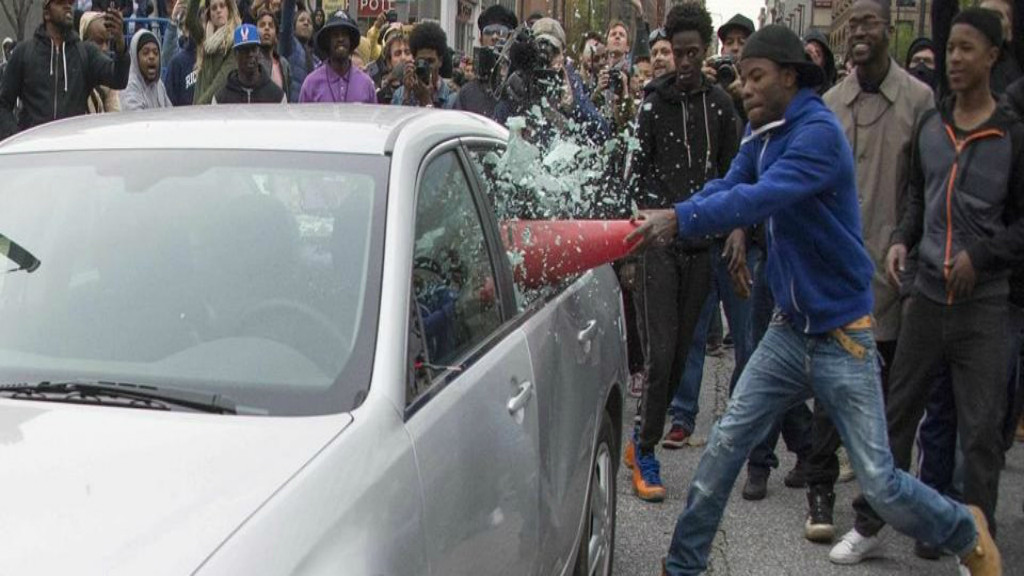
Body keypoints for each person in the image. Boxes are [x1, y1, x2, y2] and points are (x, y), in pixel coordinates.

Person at [624, 23, 1002, 576]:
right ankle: (683, 565)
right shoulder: (762, 133)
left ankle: (966, 529)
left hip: (843, 335)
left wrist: (679, 220)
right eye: (742, 77)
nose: (745, 88)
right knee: (725, 444)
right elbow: (729, 185)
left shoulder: (818, 135)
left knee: (880, 483)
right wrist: (672, 213)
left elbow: (760, 197)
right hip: (789, 330)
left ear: (789, 77)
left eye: (757, 77)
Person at [830, 9, 1024, 568]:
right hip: (926, 299)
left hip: (985, 308)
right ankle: (870, 523)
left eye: (968, 49)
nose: (955, 59)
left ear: (993, 56)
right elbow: (917, 198)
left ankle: (976, 546)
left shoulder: (1012, 136)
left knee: (980, 434)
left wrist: (980, 257)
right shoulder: (932, 127)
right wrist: (902, 240)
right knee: (894, 416)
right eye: (951, 48)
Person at [793, 0, 935, 547]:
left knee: (891, 406)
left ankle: (877, 510)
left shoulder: (919, 102)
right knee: (829, 396)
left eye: (868, 22)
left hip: (895, 276)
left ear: (888, 29)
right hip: (837, 277)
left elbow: (925, 191)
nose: (858, 31)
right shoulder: (829, 105)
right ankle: (820, 490)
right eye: (851, 23)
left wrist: (910, 249)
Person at [621, 2, 739, 503]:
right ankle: (646, 449)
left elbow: (734, 176)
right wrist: (634, 245)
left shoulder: (721, 106)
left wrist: (734, 230)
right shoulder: (653, 105)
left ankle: (642, 437)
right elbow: (632, 175)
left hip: (702, 245)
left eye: (694, 53)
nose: (686, 62)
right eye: (679, 52)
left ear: (705, 50)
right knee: (661, 352)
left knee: (684, 350)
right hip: (658, 245)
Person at [0, 0, 129, 139]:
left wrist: (120, 43)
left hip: (71, 147)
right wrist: (18, 138)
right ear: (46, 13)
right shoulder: (24, 53)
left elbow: (119, 79)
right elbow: (3, 104)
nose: (68, 6)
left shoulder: (85, 53)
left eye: (70, 3)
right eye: (61, 3)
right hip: (34, 148)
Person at [452, 4, 515, 118]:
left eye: (501, 31)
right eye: (489, 32)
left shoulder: (517, 89)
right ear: (480, 39)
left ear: (511, 39)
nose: (495, 37)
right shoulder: (468, 94)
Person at [298, 10, 375, 104]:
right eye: (335, 35)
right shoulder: (311, 83)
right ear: (328, 42)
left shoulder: (366, 84)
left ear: (351, 41)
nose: (340, 39)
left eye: (345, 34)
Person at [212, 23, 286, 103]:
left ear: (259, 52)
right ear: (236, 54)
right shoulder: (220, 99)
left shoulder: (277, 96)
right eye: (245, 50)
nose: (250, 54)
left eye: (254, 49)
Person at [185, 0, 242, 104]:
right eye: (214, 8)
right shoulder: (205, 38)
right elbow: (190, 21)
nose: (218, 10)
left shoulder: (235, 40)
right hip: (199, 104)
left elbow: (221, 80)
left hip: (219, 105)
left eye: (222, 6)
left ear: (228, 10)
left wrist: (200, 104)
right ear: (209, 14)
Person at [392, 22, 456, 108]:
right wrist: (406, 95)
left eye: (430, 61)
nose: (426, 67)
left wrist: (425, 99)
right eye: (421, 61)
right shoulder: (400, 94)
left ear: (440, 61)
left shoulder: (451, 97)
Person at [78, 10, 122, 113]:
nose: (105, 48)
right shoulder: (74, 78)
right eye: (99, 42)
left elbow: (114, 115)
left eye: (107, 42)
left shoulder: (109, 77)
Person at [120, 28, 173, 109]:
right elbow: (137, 116)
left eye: (155, 53)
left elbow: (171, 113)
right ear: (136, 58)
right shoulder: (129, 86)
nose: (151, 57)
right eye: (145, 52)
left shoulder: (159, 85)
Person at [279, 0, 317, 100]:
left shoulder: (316, 59)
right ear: (294, 26)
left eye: (309, 22)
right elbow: (286, 25)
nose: (306, 23)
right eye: (301, 20)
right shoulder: (289, 45)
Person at [255, 8, 291, 100]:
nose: (266, 28)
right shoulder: (252, 61)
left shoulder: (284, 64)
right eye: (262, 25)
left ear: (276, 36)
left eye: (271, 25)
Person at [375, 32, 411, 105]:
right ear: (389, 62)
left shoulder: (423, 88)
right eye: (398, 54)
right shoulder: (382, 95)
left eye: (407, 52)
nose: (403, 57)